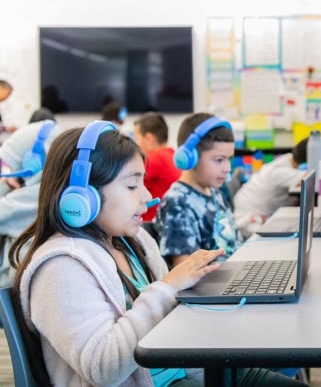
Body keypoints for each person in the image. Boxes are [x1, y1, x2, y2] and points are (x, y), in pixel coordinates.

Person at [8, 121, 304, 386]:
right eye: (132, 185)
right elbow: (102, 368)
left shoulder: (132, 243)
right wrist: (167, 287)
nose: (147, 196)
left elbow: (171, 318)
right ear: (83, 197)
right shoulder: (61, 268)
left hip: (189, 369)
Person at [155, 113, 241, 267]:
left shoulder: (216, 194)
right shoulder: (177, 203)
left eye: (229, 159)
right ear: (189, 158)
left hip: (234, 274)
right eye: (219, 160)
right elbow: (186, 270)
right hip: (210, 288)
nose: (227, 168)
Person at [0, 121, 60, 286]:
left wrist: (6, 183)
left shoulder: (33, 195)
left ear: (32, 162)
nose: (6, 171)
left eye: (7, 165)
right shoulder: (57, 189)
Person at [233, 138, 309, 239]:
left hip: (254, 209)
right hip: (249, 218)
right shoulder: (279, 171)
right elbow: (311, 177)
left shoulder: (289, 159)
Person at [133, 113, 181, 222]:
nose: (135, 143)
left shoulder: (154, 159)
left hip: (149, 224)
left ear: (149, 138)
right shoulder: (172, 156)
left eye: (137, 138)